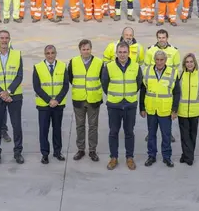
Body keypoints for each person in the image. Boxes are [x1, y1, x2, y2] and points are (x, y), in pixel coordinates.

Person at [101, 41, 143, 170]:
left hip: (130, 104)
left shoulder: (136, 66)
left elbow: (138, 83)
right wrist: (116, 96)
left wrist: (128, 95)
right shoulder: (109, 66)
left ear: (129, 53)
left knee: (129, 132)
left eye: (125, 52)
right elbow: (105, 84)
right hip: (114, 105)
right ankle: (114, 157)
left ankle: (129, 158)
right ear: (116, 53)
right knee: (113, 132)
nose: (122, 55)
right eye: (120, 52)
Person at [0, 30, 25, 165]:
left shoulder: (16, 55)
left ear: (9, 40)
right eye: (1, 38)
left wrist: (8, 92)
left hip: (14, 96)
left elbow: (19, 75)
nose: (4, 40)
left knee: (16, 126)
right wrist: (2, 94)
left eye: (6, 38)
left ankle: (18, 152)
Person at [140, 51, 180, 168]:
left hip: (165, 110)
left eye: (161, 60)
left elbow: (176, 92)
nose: (159, 62)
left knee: (166, 135)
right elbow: (143, 90)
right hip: (151, 109)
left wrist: (174, 109)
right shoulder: (147, 72)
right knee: (151, 135)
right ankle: (151, 156)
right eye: (157, 59)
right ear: (154, 60)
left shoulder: (172, 73)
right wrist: (142, 107)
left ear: (166, 60)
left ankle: (167, 157)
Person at [143, 28, 181, 143]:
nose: (161, 40)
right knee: (152, 116)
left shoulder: (174, 51)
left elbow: (176, 68)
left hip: (168, 83)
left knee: (166, 114)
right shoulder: (150, 51)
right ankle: (150, 133)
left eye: (163, 37)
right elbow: (146, 67)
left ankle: (168, 134)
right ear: (157, 38)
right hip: (154, 83)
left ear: (167, 38)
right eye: (159, 38)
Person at [68, 39, 103, 162]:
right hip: (79, 99)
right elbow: (71, 78)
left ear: (91, 49)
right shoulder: (73, 62)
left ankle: (92, 150)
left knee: (93, 126)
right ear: (80, 50)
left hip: (94, 99)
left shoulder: (99, 62)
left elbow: (102, 79)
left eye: (88, 49)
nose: (86, 51)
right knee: (80, 126)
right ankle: (81, 149)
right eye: (83, 49)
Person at [33, 45, 69, 164]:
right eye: (48, 53)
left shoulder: (63, 66)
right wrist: (49, 100)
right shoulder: (38, 67)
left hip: (58, 105)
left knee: (57, 129)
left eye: (52, 53)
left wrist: (57, 100)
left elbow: (65, 86)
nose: (50, 55)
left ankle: (57, 152)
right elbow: (37, 87)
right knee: (44, 130)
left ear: (56, 53)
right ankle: (45, 154)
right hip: (44, 105)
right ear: (45, 54)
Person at [177, 53, 199, 166]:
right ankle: (189, 157)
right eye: (187, 62)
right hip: (182, 110)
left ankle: (185, 154)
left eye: (191, 61)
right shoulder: (180, 75)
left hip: (195, 110)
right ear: (184, 64)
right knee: (184, 135)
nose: (189, 64)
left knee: (193, 134)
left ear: (195, 62)